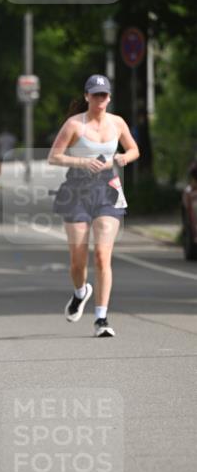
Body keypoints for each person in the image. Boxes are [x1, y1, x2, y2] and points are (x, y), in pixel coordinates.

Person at [48, 74, 139, 338]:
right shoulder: (74, 125)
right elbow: (54, 156)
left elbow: (134, 150)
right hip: (76, 190)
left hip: (107, 190)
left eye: (104, 95)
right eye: (95, 95)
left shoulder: (117, 123)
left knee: (101, 255)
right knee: (78, 260)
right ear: (87, 96)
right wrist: (82, 162)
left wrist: (122, 158)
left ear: (109, 98)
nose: (100, 100)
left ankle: (101, 318)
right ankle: (80, 292)